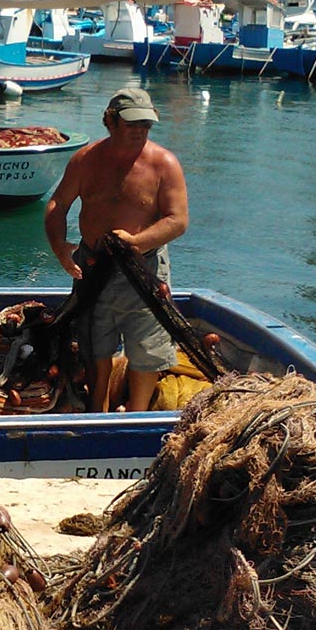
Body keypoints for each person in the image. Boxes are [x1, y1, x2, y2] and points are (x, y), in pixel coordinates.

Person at [42, 85, 189, 411]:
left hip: (145, 270)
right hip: (92, 267)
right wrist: (60, 248)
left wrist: (137, 242)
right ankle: (98, 410)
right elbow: (58, 203)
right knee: (95, 344)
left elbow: (177, 220)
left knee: (147, 349)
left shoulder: (164, 164)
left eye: (146, 125)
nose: (139, 131)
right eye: (132, 124)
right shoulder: (86, 159)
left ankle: (135, 414)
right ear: (110, 121)